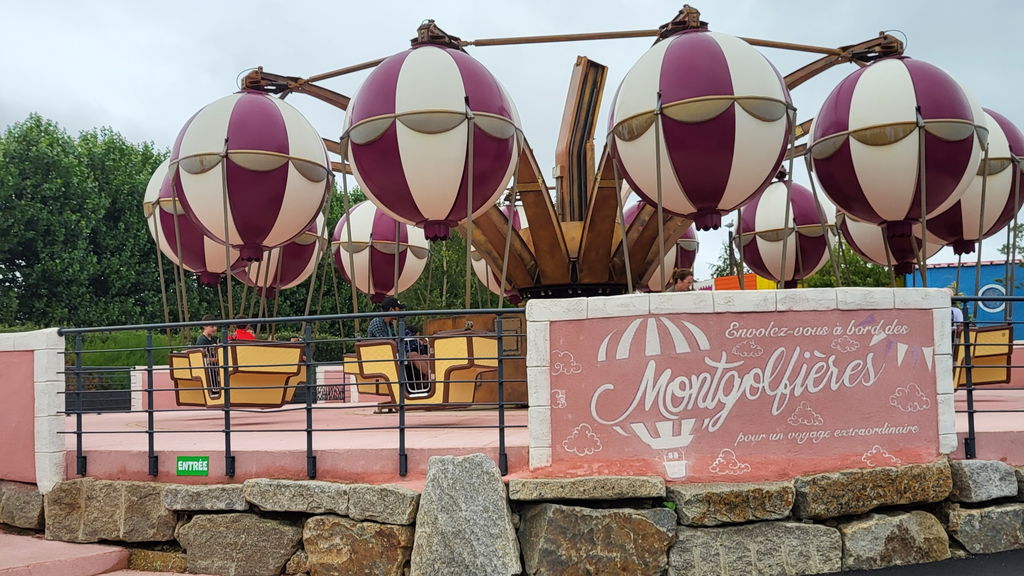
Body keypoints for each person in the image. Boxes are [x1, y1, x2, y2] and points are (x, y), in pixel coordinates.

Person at [367, 296, 431, 394]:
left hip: (391, 354)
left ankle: (428, 382)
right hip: (382, 356)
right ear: (391, 309)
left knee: (424, 356)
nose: (400, 311)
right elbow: (386, 343)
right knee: (414, 356)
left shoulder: (389, 324)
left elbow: (393, 342)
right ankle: (433, 380)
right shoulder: (377, 322)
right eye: (398, 309)